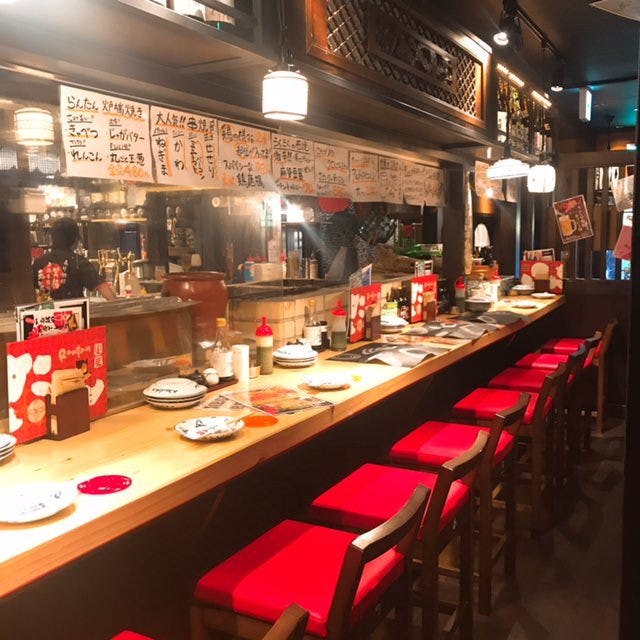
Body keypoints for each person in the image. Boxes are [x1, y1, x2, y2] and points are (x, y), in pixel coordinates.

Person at [33, 218, 117, 300]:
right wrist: (118, 305)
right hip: (76, 309)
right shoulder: (79, 262)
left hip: (46, 309)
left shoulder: (38, 263)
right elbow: (104, 289)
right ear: (76, 240)